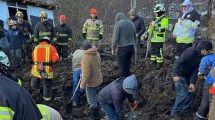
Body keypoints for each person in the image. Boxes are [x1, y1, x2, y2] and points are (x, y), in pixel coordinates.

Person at [170, 41, 212, 119]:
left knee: (191, 93)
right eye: (209, 51)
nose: (210, 53)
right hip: (179, 74)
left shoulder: (202, 56)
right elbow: (178, 62)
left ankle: (186, 109)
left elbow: (196, 70)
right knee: (182, 94)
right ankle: (174, 112)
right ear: (204, 50)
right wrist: (175, 75)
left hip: (188, 75)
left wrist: (192, 82)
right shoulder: (190, 52)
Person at [79, 40, 103, 119]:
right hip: (98, 80)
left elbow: (86, 75)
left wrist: (82, 86)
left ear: (84, 49)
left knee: (92, 101)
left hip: (91, 83)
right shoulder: (96, 53)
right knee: (97, 98)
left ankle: (95, 117)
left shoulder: (86, 58)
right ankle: (99, 114)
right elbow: (97, 66)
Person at [31, 36, 59, 101]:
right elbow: (55, 59)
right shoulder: (51, 48)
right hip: (47, 70)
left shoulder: (36, 47)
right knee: (47, 85)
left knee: (35, 84)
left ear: (41, 41)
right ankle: (47, 99)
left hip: (36, 69)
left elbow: (32, 58)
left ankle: (34, 97)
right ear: (49, 42)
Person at [193, 42, 214, 120]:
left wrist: (201, 74)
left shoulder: (206, 58)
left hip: (210, 83)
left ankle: (199, 117)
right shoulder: (213, 57)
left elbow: (201, 71)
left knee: (205, 103)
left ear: (204, 50)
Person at [144, 3, 169, 69]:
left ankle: (159, 64)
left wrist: (156, 28)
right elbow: (150, 28)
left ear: (160, 12)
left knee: (158, 52)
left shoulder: (164, 19)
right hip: (153, 39)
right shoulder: (154, 19)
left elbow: (165, 28)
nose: (155, 13)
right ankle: (153, 62)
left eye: (156, 12)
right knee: (152, 52)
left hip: (159, 39)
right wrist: (146, 34)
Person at [112, 12, 136, 77]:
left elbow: (115, 38)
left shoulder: (118, 24)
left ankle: (122, 82)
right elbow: (134, 36)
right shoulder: (131, 24)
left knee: (122, 66)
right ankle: (127, 81)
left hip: (123, 48)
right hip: (131, 48)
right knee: (127, 64)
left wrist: (113, 48)